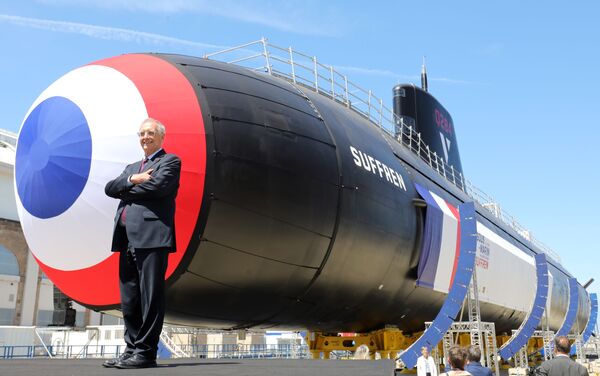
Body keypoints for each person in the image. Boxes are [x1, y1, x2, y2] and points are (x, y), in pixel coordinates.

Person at [103, 118, 181, 369]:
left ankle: (146, 352)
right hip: (126, 239)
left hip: (152, 237)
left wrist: (125, 189)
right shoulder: (133, 167)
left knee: (150, 297)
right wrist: (133, 180)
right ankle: (132, 348)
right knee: (130, 298)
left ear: (161, 137)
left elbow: (157, 188)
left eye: (150, 133)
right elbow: (109, 188)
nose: (145, 137)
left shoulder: (169, 161)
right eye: (142, 133)